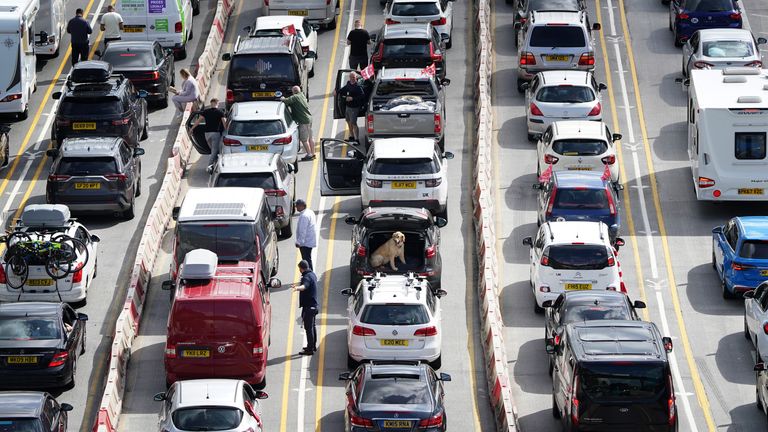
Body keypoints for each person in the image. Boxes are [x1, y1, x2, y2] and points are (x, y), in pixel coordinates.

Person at [192, 98, 227, 172]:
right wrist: (228, 132)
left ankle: (215, 164)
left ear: (211, 103)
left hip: (207, 134)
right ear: (217, 103)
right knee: (215, 151)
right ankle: (209, 166)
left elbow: (198, 121)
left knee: (212, 151)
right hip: (215, 134)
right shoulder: (220, 112)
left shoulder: (205, 112)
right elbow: (224, 124)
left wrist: (191, 129)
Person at [281, 86, 315, 160]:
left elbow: (286, 101)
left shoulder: (295, 97)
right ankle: (313, 153)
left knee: (304, 139)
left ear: (294, 91)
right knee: (311, 138)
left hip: (303, 121)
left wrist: (282, 98)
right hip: (309, 119)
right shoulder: (302, 95)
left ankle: (309, 154)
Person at [292, 260, 318, 355]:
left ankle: (310, 349)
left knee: (308, 328)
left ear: (301, 268)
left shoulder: (306, 277)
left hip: (309, 307)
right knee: (312, 326)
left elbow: (305, 286)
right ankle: (313, 345)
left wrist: (297, 288)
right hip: (314, 306)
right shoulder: (312, 275)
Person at [336, 72, 365, 142]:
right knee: (348, 121)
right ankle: (351, 136)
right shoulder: (348, 84)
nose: (352, 79)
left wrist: (353, 98)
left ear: (356, 78)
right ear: (349, 77)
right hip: (348, 107)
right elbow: (343, 90)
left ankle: (357, 139)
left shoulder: (358, 86)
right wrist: (336, 91)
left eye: (354, 77)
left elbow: (362, 96)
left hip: (354, 108)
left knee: (353, 123)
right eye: (351, 77)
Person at [294, 199, 316, 271]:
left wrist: (299, 242)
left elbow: (303, 231)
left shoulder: (304, 216)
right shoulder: (310, 212)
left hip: (305, 243)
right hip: (309, 240)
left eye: (297, 206)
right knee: (308, 259)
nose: (296, 207)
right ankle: (310, 274)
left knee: (306, 260)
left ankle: (309, 275)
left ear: (301, 206)